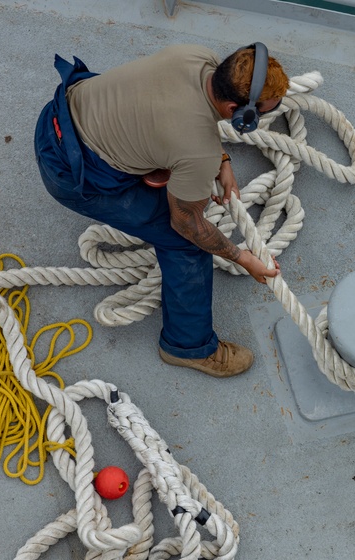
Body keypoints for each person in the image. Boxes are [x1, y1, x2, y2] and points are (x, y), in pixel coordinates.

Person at [34, 43, 288, 378]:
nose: (271, 114)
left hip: (59, 114)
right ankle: (187, 347)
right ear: (234, 109)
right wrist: (243, 258)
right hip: (70, 171)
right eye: (264, 113)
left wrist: (221, 159)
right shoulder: (197, 154)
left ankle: (148, 163)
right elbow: (187, 224)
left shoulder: (195, 56)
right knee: (187, 244)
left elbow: (194, 114)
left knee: (170, 149)